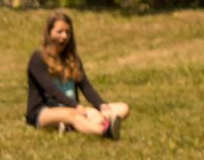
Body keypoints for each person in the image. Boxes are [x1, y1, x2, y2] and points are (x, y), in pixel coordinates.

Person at [25, 12, 129, 140]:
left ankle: (73, 126)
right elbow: (51, 90)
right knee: (74, 115)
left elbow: (86, 87)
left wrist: (102, 106)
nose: (64, 36)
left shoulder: (72, 59)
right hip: (44, 111)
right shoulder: (38, 58)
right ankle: (104, 131)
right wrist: (74, 105)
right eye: (59, 32)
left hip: (72, 107)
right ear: (49, 33)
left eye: (68, 32)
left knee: (122, 108)